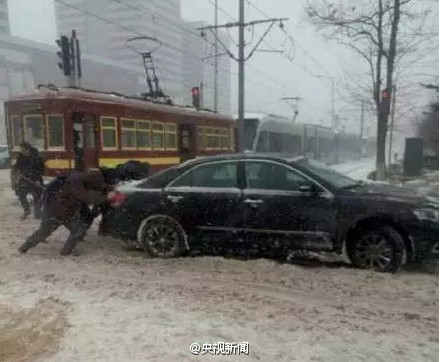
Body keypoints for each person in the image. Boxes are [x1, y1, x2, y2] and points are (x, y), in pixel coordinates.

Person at [18, 169, 113, 256]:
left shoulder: (81, 177)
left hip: (66, 213)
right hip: (56, 212)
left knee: (78, 229)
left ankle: (66, 251)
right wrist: (107, 198)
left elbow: (98, 184)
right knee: (44, 232)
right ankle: (24, 248)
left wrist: (111, 187)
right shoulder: (76, 182)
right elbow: (85, 198)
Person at [13, 142, 44, 219]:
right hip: (24, 180)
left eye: (23, 149)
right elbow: (18, 165)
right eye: (21, 149)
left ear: (28, 149)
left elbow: (41, 170)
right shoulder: (21, 157)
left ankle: (38, 213)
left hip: (35, 180)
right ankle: (27, 210)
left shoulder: (36, 158)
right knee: (21, 195)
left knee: (37, 197)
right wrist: (16, 169)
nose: (22, 151)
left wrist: (36, 178)